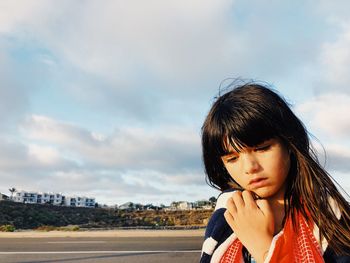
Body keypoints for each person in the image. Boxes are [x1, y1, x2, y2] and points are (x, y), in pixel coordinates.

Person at [199, 82, 350, 263]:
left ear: (289, 143)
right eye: (232, 159)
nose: (250, 167)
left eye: (262, 148)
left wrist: (263, 249)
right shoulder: (224, 217)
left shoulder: (331, 218)